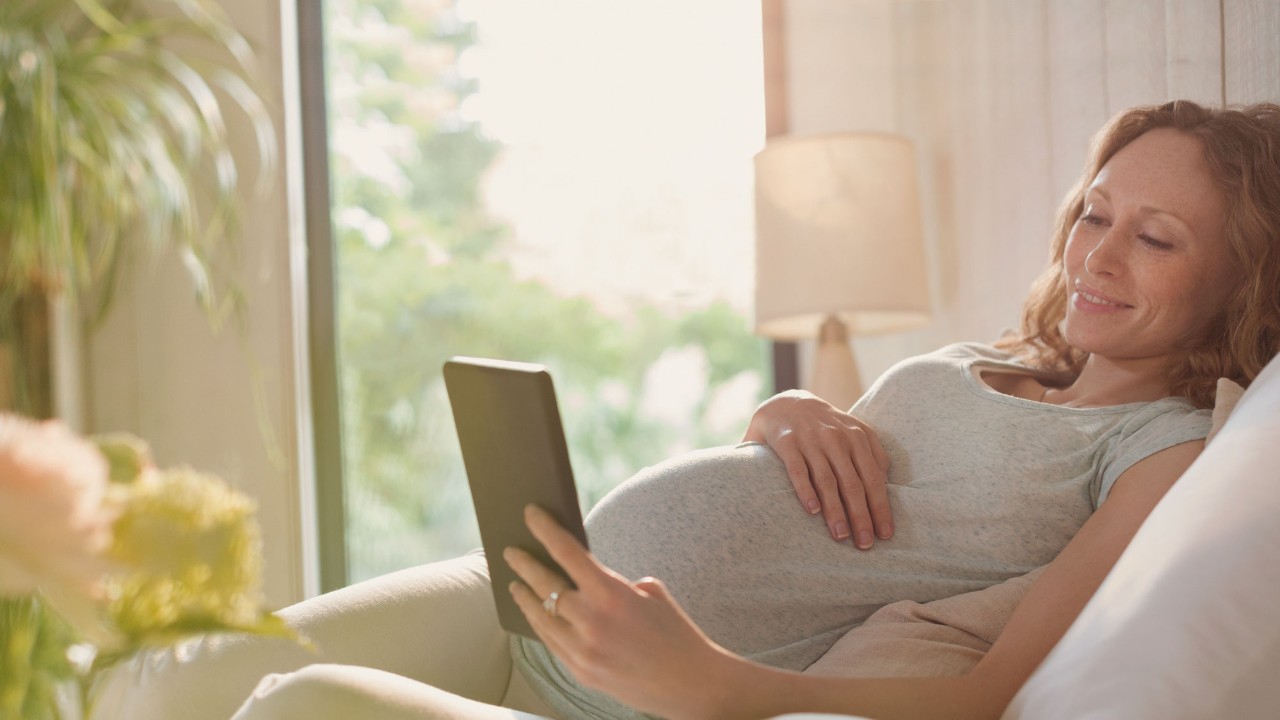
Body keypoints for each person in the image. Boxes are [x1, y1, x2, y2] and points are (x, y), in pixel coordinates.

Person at [130, 99, 1279, 720]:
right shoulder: (996, 356)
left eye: (1155, 237)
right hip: (539, 595)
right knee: (175, 681)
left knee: (306, 709)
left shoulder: (1159, 453)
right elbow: (823, 499)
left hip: (636, 700)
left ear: (1243, 281)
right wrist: (781, 411)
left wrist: (713, 689)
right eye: (1094, 212)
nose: (1097, 254)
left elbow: (993, 694)